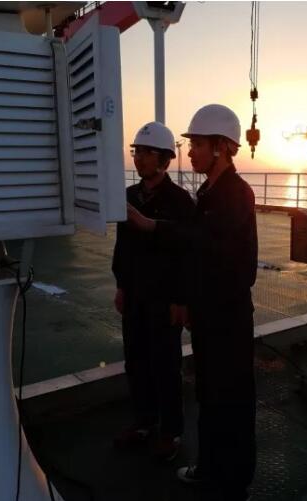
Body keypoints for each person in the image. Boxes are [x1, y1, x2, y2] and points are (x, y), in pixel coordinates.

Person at [127, 105, 258, 501]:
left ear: (220, 147)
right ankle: (212, 469)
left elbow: (205, 243)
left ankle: (230, 480)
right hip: (211, 317)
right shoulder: (210, 193)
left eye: (197, 144)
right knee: (211, 397)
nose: (190, 152)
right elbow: (199, 246)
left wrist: (152, 226)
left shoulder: (235, 194)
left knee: (230, 400)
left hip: (227, 320)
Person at [112, 121, 195, 461]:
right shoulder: (128, 196)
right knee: (136, 361)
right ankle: (144, 422)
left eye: (147, 152)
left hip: (164, 298)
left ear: (165, 159)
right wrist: (121, 285)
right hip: (134, 294)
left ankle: (170, 432)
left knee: (165, 365)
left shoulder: (180, 201)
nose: (139, 158)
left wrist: (181, 299)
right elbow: (122, 247)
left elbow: (187, 255)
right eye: (137, 151)